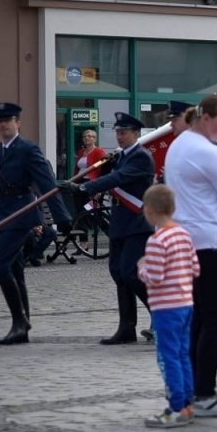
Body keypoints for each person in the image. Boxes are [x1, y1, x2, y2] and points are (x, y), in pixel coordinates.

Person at [167, 94, 217, 416]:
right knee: (215, 319)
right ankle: (205, 394)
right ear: (205, 118)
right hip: (210, 242)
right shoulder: (208, 151)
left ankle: (190, 390)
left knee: (198, 317)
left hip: (185, 240)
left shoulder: (180, 144)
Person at [0, 102, 71, 345]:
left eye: (9, 120)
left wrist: (62, 217)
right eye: (0, 120)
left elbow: (47, 184)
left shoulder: (28, 149)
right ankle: (22, 328)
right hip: (1, 215)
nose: (4, 124)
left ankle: (20, 321)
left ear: (18, 123)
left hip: (21, 215)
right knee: (15, 270)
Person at [74, 112, 155, 346]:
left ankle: (162, 312)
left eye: (124, 132)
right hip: (121, 220)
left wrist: (83, 188)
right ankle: (126, 327)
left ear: (135, 134)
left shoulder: (141, 156)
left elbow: (118, 179)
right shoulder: (119, 157)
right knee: (118, 273)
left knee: (131, 272)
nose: (120, 136)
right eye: (118, 132)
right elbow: (112, 175)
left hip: (138, 222)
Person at [136, 183, 199, 428]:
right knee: (183, 354)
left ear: (149, 210)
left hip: (165, 307)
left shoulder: (156, 240)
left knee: (168, 356)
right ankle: (188, 403)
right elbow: (195, 268)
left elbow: (155, 276)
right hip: (186, 303)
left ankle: (175, 408)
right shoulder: (184, 235)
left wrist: (143, 267)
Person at [145, 101, 193, 181]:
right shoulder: (178, 146)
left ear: (188, 118)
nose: (171, 124)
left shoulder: (203, 147)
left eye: (175, 119)